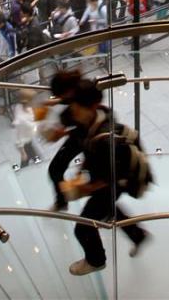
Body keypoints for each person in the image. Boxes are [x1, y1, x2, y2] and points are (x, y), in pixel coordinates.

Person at [63, 81, 149, 275]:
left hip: (113, 184)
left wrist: (80, 190)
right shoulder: (104, 114)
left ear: (91, 106)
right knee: (110, 210)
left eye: (77, 108)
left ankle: (96, 260)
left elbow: (108, 178)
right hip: (113, 181)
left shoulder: (106, 140)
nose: (73, 113)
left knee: (83, 228)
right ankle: (138, 235)